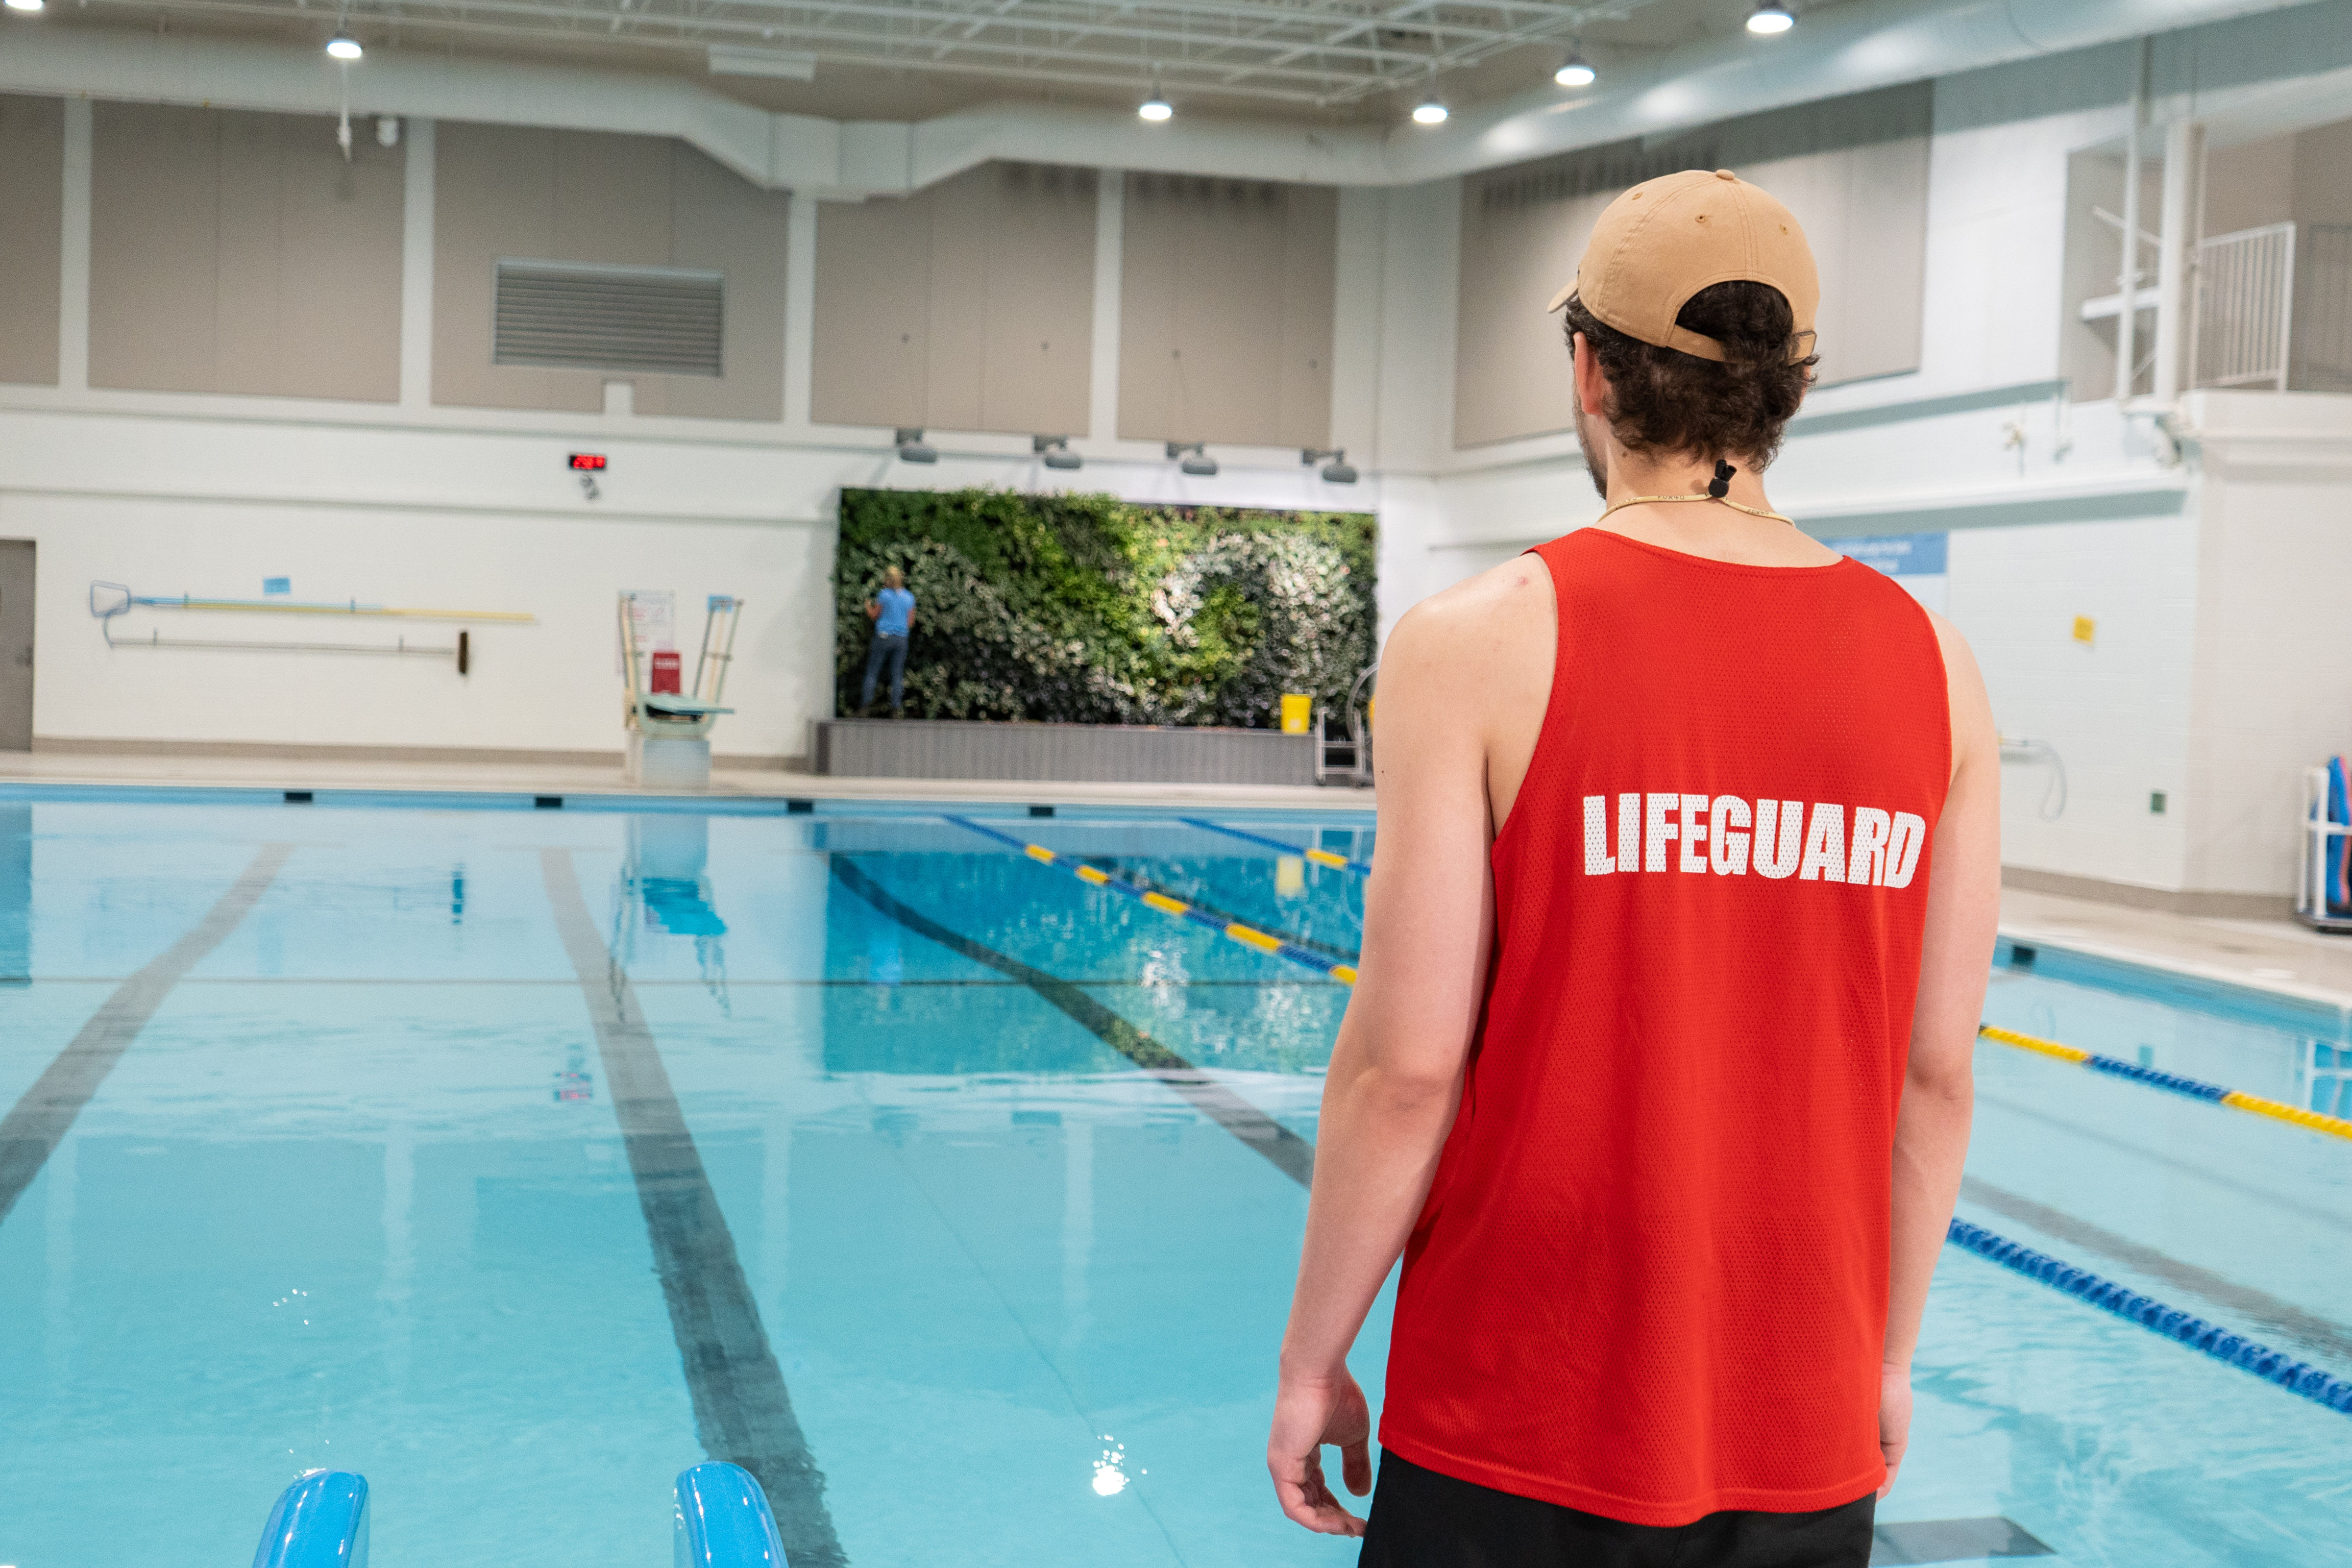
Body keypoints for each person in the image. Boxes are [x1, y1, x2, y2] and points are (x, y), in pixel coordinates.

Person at [1267, 168, 1999, 1567]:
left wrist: (1316, 1358)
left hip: (1515, 1409)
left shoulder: (1478, 637)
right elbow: (1936, 1076)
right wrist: (1887, 1355)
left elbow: (1404, 1066)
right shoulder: (1938, 668)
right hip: (1803, 1417)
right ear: (1790, 391)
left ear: (1591, 371)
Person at [861, 565, 916, 717]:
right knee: (897, 673)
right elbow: (910, 622)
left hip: (884, 635)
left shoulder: (884, 595)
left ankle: (865, 706)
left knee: (873, 670)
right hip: (901, 638)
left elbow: (874, 615)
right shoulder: (909, 597)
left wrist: (867, 606)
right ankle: (896, 709)